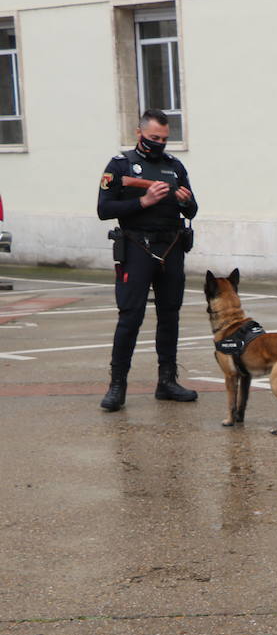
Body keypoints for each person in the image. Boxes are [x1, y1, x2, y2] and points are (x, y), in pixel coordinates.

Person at [96, 109, 199, 411]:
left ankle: (167, 381)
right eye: (154, 138)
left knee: (170, 315)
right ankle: (117, 386)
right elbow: (104, 209)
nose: (160, 143)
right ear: (139, 133)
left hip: (171, 249)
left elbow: (192, 211)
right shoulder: (121, 165)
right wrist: (143, 201)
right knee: (131, 316)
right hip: (136, 249)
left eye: (165, 139)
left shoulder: (174, 166)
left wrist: (186, 201)